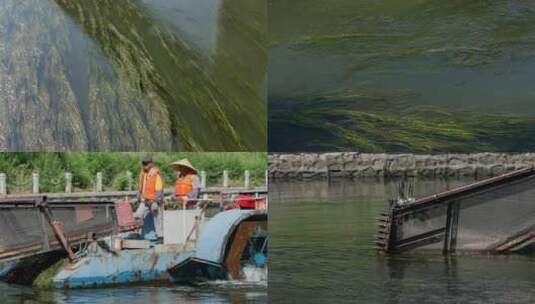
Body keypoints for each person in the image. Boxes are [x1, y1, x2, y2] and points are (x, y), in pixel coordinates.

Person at [134, 155, 164, 240]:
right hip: (144, 201)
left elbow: (159, 191)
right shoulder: (143, 174)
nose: (144, 165)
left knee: (157, 218)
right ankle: (138, 234)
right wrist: (139, 197)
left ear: (151, 163)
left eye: (146, 163)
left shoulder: (156, 175)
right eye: (143, 163)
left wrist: (155, 201)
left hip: (153, 201)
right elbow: (141, 188)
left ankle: (160, 237)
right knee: (137, 215)